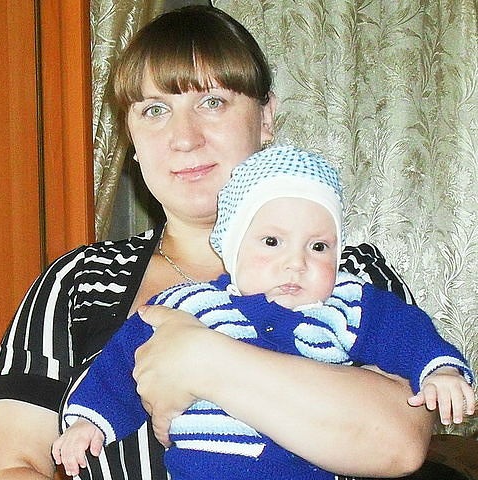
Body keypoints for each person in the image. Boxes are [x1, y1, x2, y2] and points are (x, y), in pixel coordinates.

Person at [0, 6, 441, 480]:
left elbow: (398, 444)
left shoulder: (351, 273)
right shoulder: (79, 282)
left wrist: (199, 358)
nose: (184, 138)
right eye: (155, 110)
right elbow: (4, 466)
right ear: (131, 137)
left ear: (266, 117)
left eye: (212, 101)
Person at [51, 146, 474, 479]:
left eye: (319, 246)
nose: (296, 263)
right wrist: (89, 422)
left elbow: (408, 334)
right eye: (272, 242)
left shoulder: (348, 304)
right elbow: (121, 364)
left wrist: (440, 370)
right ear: (232, 246)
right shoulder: (188, 304)